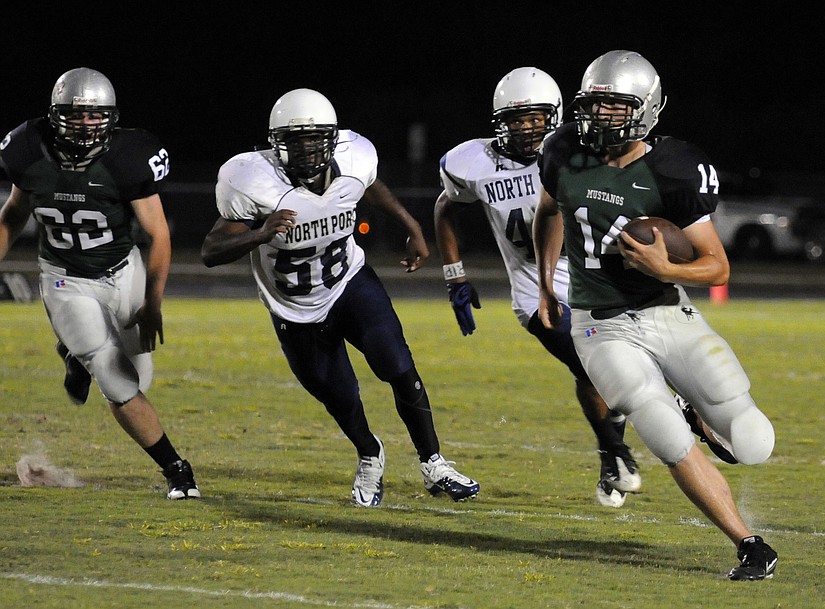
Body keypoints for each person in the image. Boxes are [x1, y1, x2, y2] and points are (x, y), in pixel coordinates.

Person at [533, 50, 777, 580]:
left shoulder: (675, 168)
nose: (599, 119)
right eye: (592, 106)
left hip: (667, 310)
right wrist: (547, 285)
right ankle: (749, 544)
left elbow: (717, 266)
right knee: (664, 435)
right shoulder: (561, 152)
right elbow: (549, 212)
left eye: (614, 109)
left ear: (643, 110)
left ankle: (707, 418)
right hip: (601, 325)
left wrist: (665, 267)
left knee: (752, 436)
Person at [201, 88, 479, 507]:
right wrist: (261, 232)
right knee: (341, 397)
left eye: (316, 138)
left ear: (332, 138)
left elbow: (369, 185)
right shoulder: (253, 181)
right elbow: (210, 250)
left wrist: (411, 224)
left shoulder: (353, 159)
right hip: (294, 310)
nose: (309, 149)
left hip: (349, 282)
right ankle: (370, 454)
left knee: (398, 366)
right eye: (297, 140)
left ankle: (434, 463)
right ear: (277, 145)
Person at [434, 67, 640, 508]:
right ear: (499, 121)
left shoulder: (577, 151)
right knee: (592, 365)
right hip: (534, 294)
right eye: (517, 118)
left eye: (536, 117)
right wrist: (456, 276)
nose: (527, 128)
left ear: (557, 116)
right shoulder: (474, 164)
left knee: (608, 368)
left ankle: (614, 449)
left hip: (597, 281)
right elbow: (444, 209)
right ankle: (617, 453)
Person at [0, 67, 200, 500]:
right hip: (65, 278)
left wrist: (153, 304)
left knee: (138, 377)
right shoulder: (28, 149)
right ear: (55, 115)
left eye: (97, 116)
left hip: (123, 271)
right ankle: (177, 470)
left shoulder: (127, 157)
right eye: (77, 115)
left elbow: (159, 234)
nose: (88, 124)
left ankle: (74, 354)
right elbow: (14, 214)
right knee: (116, 381)